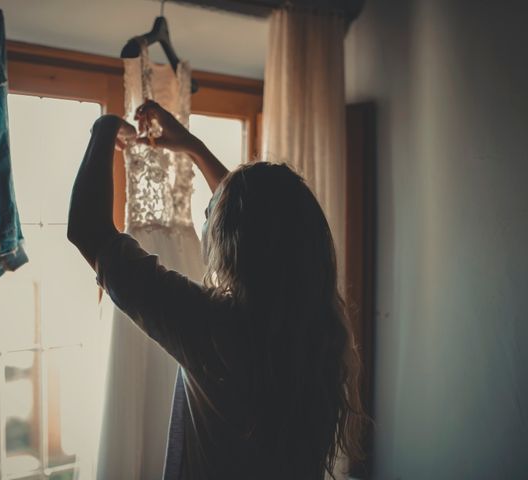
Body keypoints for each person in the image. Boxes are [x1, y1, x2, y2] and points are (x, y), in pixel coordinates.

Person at [68, 100, 366, 480]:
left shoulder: (214, 329)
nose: (206, 214)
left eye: (212, 214)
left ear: (230, 242)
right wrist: (192, 145)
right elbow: (265, 224)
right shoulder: (318, 325)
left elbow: (88, 230)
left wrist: (105, 127)